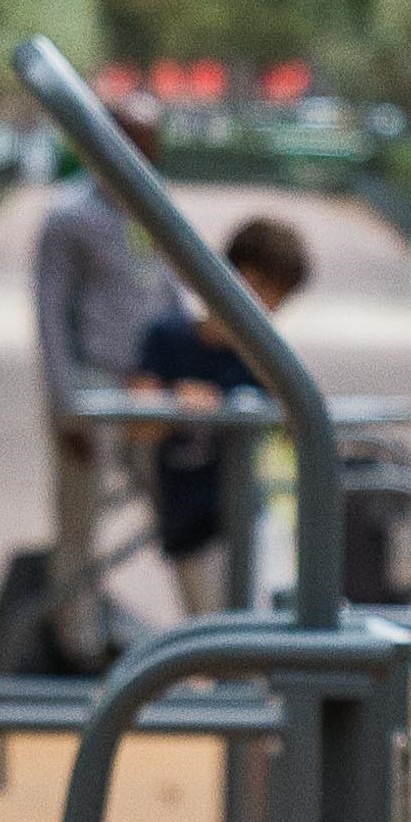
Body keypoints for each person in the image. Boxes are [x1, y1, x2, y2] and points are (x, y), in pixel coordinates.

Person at [33, 100, 182, 661]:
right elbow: (50, 316)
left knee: (177, 506)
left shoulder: (153, 208)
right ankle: (78, 644)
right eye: (135, 140)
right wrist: (64, 405)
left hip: (148, 384)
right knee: (80, 520)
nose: (146, 153)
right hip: (93, 384)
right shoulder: (70, 217)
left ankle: (210, 631)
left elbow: (169, 289)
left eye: (150, 141)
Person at [132, 214, 312, 611]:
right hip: (189, 522)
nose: (264, 304)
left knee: (265, 626)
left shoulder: (269, 357)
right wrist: (176, 402)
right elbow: (138, 425)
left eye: (277, 296)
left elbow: (300, 429)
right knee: (216, 644)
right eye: (260, 285)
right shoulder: (168, 339)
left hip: (252, 514)